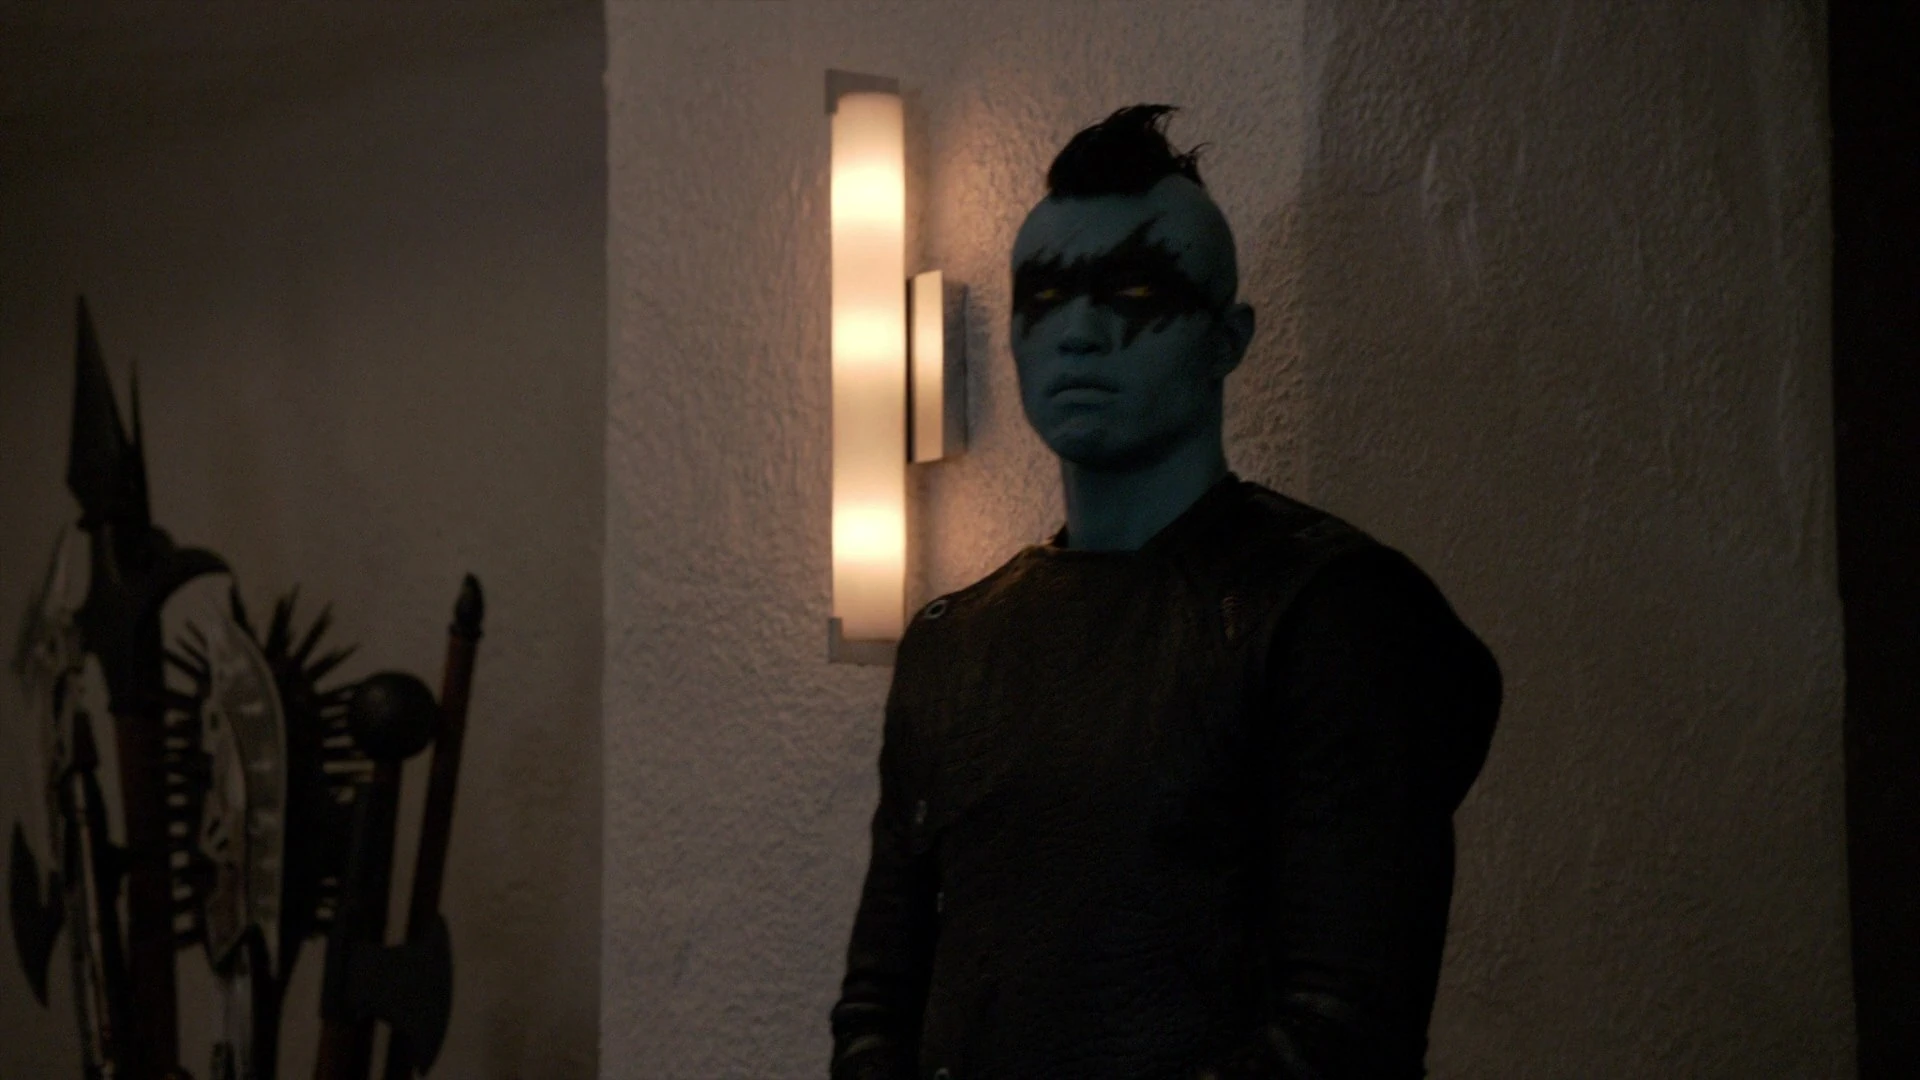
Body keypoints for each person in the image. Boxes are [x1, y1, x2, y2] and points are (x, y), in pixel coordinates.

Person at [828, 104, 1502, 1080]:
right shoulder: (955, 643)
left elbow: (1343, 1025)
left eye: (1136, 291)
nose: (1079, 333)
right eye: (1044, 297)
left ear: (1227, 339)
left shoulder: (1333, 613)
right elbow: (878, 1005)